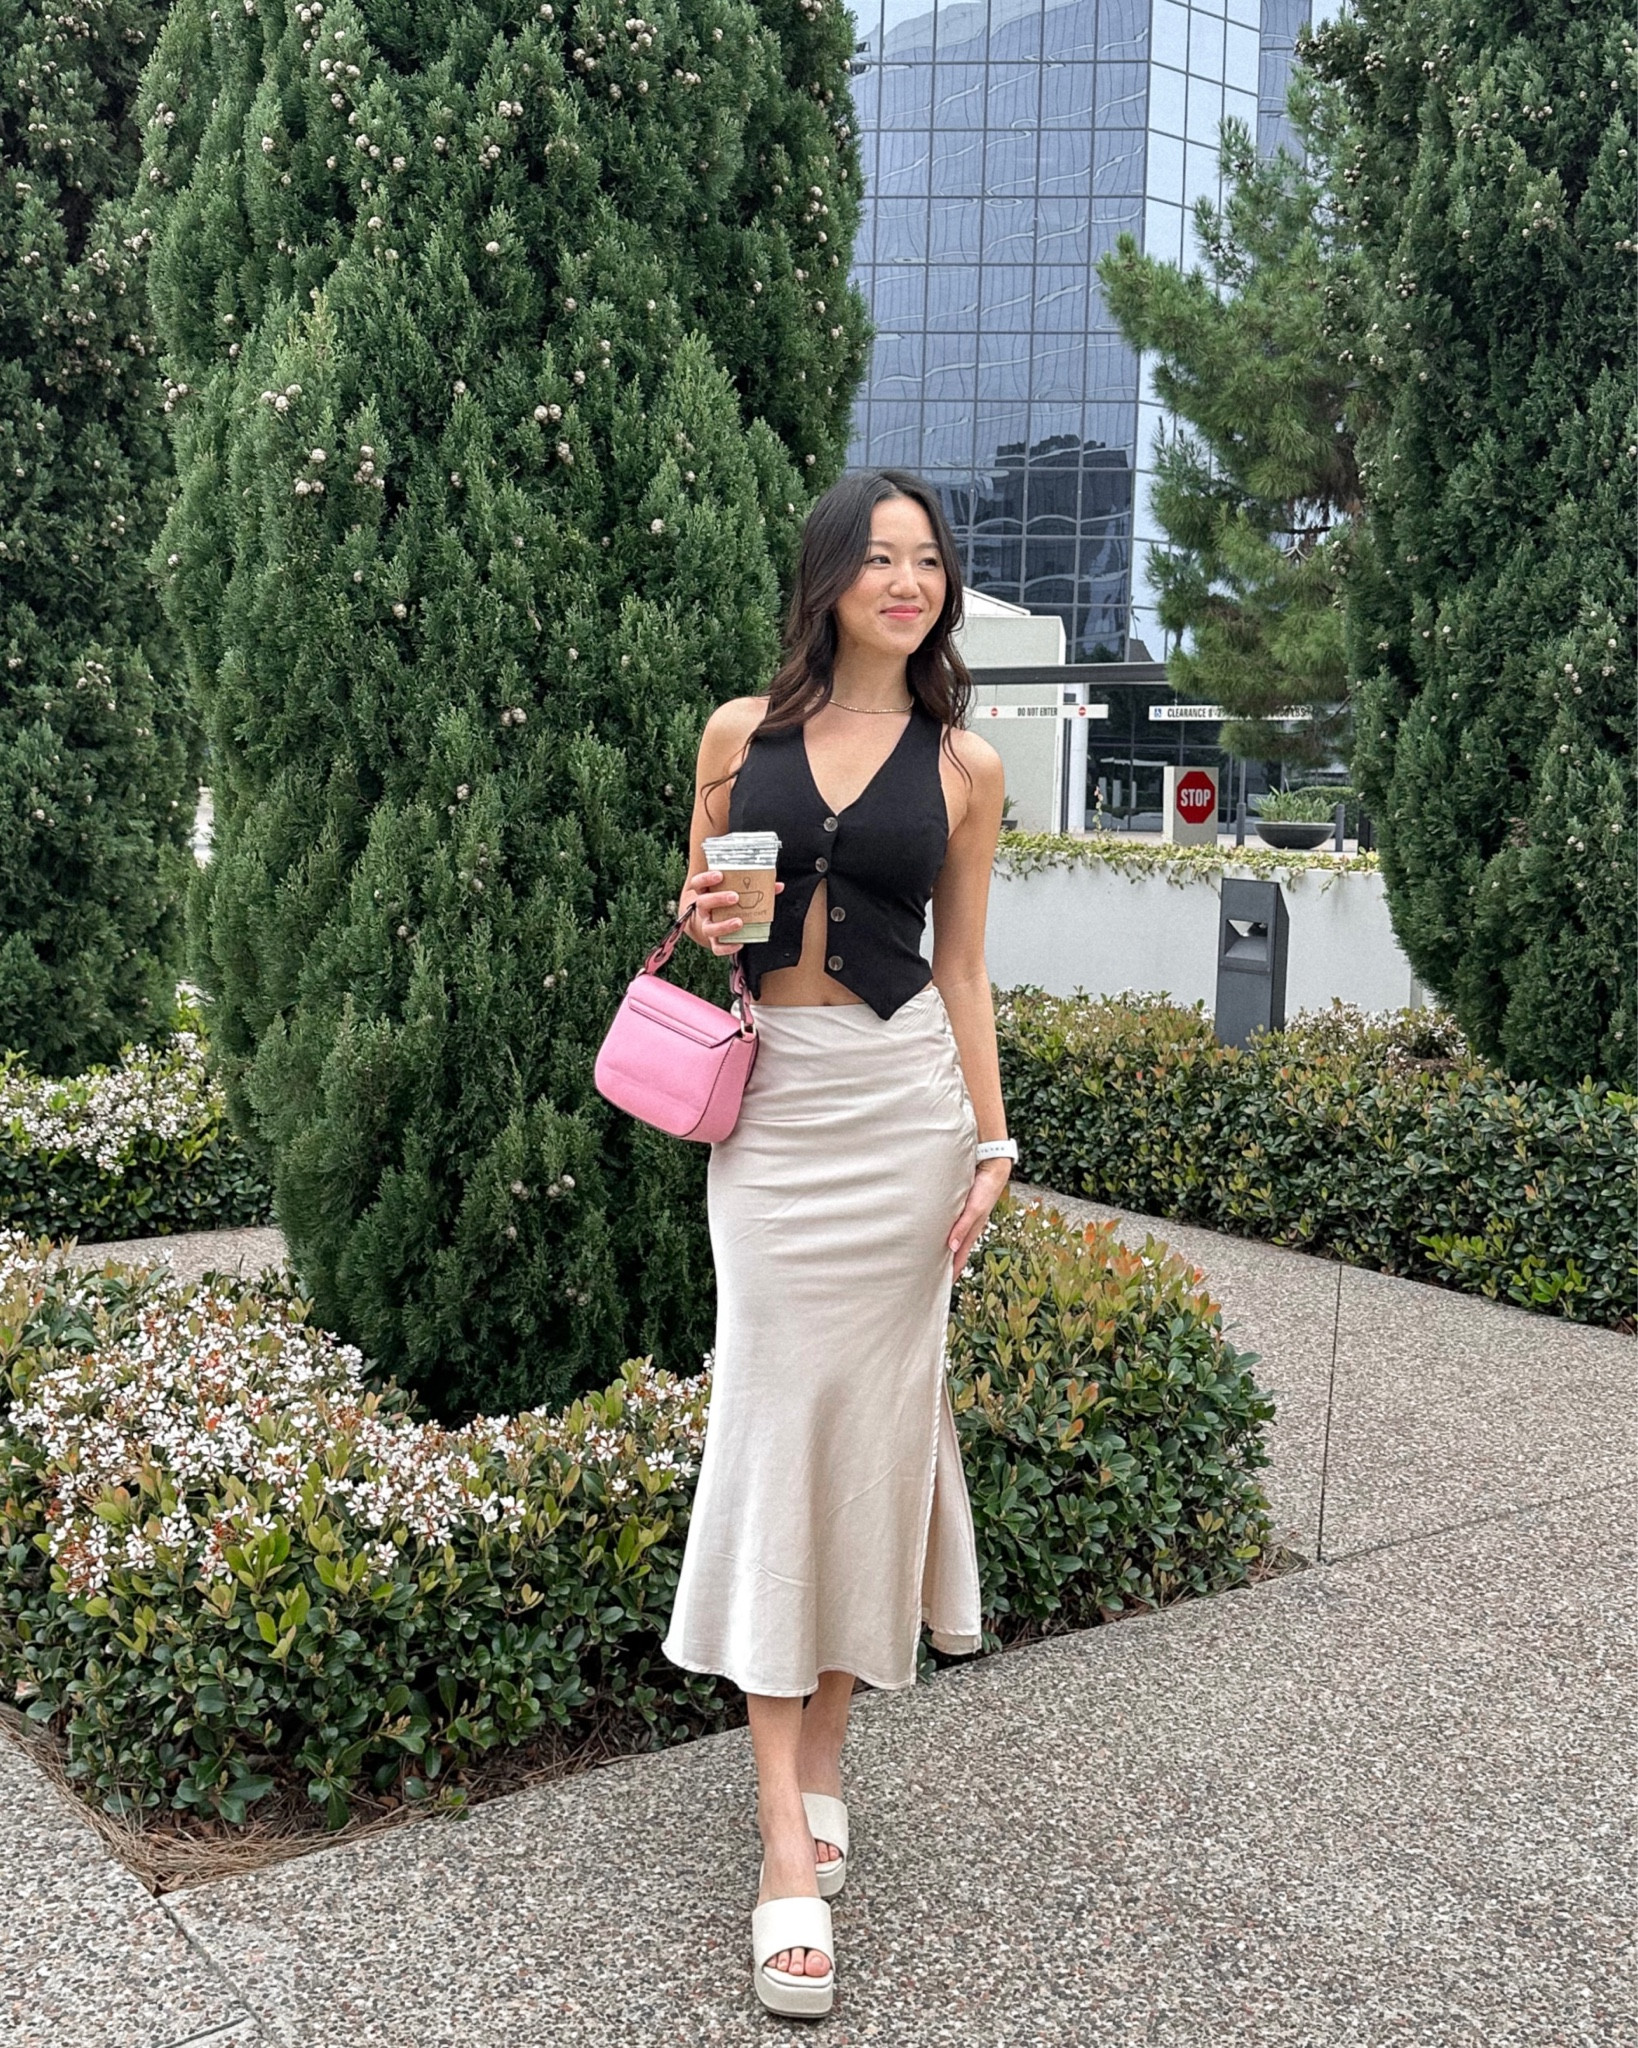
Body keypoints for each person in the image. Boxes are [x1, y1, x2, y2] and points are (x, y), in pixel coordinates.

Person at [659, 469, 1017, 2017]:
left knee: (870, 1441)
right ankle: (779, 1849)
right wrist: (706, 915)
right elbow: (706, 922)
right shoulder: (737, 735)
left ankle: (821, 1765)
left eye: (925, 560)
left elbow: (965, 972)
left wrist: (992, 1144)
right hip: (776, 1119)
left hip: (902, 1115)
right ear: (826, 580)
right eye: (876, 557)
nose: (904, 580)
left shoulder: (966, 765)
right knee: (773, 1431)